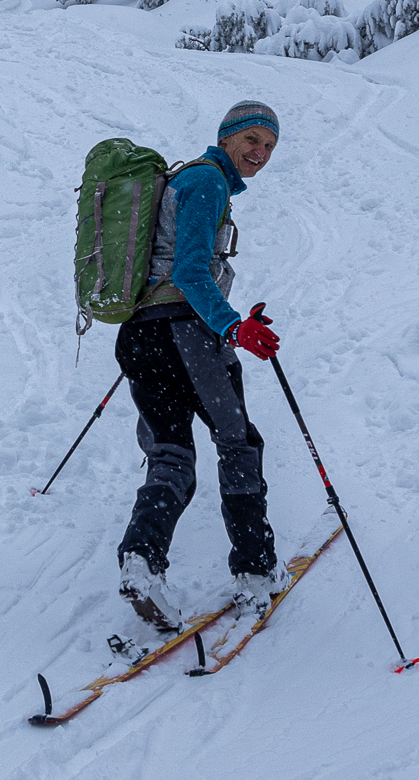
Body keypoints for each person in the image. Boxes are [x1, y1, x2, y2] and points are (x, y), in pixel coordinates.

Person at [115, 100, 283, 632]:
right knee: (238, 443)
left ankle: (142, 560)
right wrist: (232, 326)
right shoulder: (209, 182)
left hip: (140, 333)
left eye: (269, 146)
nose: (259, 153)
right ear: (227, 137)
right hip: (186, 334)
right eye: (252, 140)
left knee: (169, 453)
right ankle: (256, 572)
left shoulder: (186, 179)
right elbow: (189, 270)